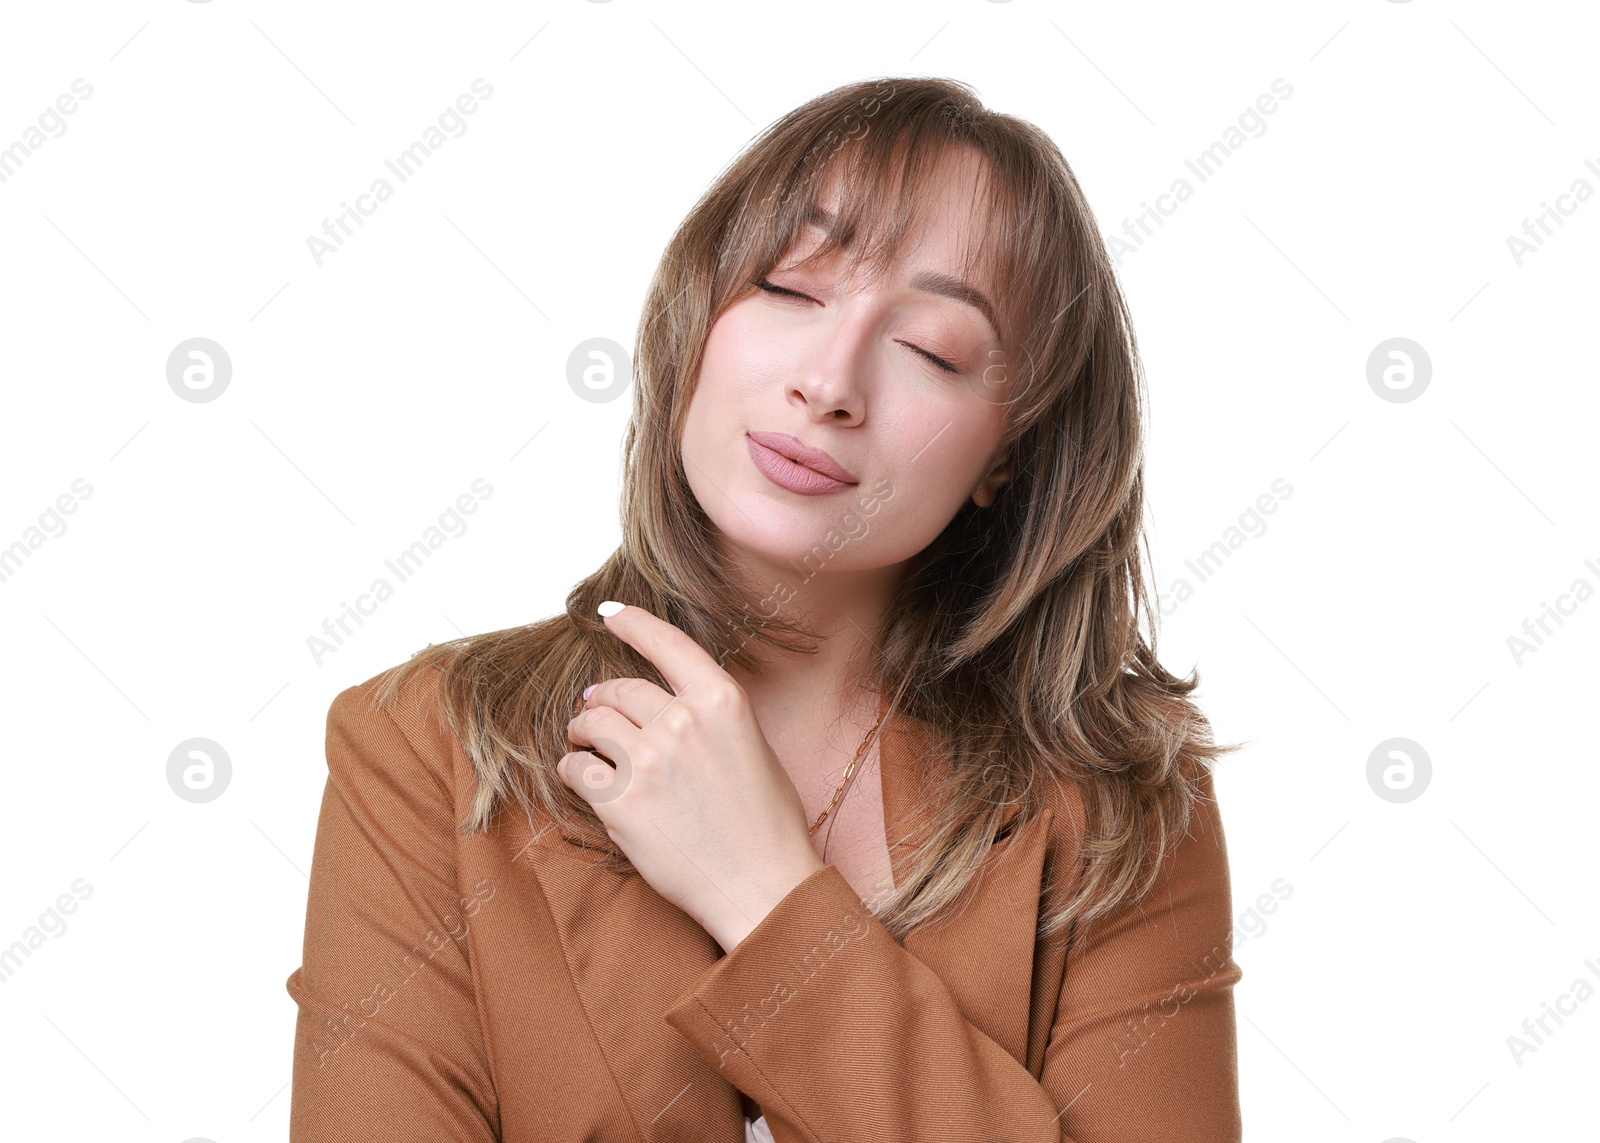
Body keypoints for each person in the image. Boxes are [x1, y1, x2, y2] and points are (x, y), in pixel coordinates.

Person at [285, 75, 1246, 1142]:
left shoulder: (1119, 805)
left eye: (930, 348)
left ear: (1006, 455)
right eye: (790, 288)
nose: (829, 381)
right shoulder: (426, 744)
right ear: (699, 317)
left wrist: (770, 899)